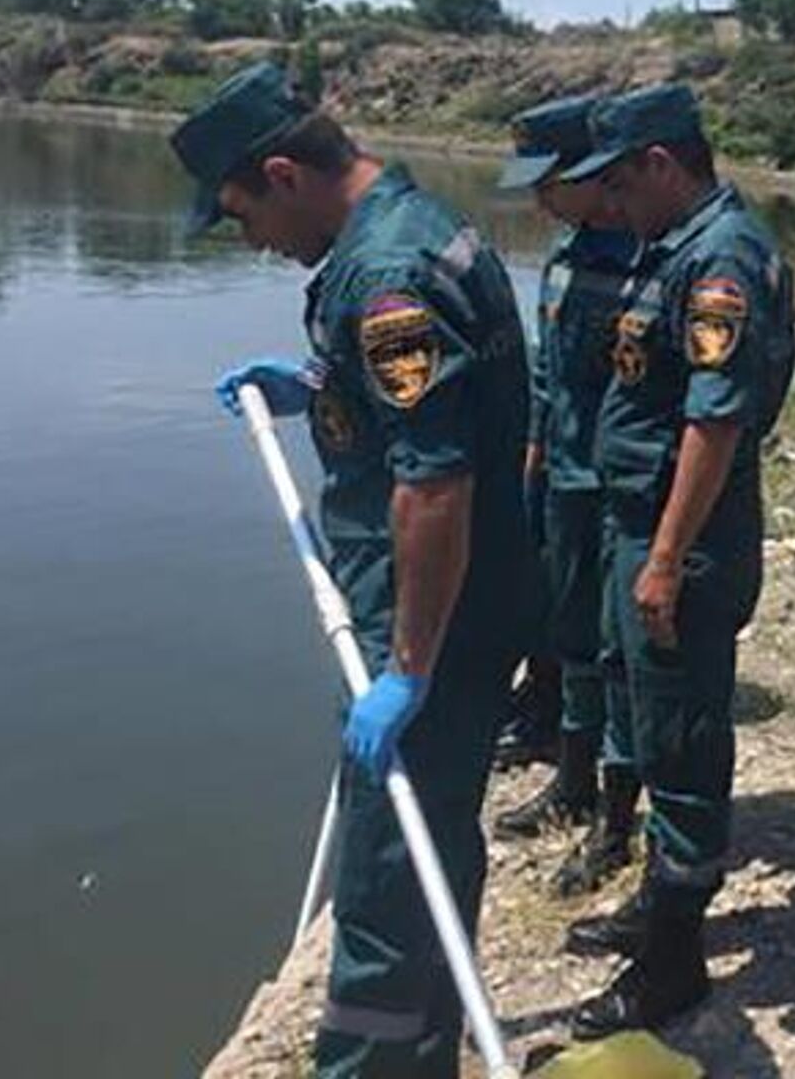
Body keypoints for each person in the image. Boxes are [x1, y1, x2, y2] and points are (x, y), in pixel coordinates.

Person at [171, 62, 537, 1079]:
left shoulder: (386, 280)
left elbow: (435, 484)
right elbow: (432, 403)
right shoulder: (412, 226)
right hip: (465, 593)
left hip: (429, 608)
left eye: (242, 212)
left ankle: (371, 1065)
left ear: (283, 173)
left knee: (384, 871)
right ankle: (423, 1051)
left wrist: (408, 667)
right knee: (433, 841)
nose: (249, 240)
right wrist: (316, 387)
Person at [548, 84, 795, 1037]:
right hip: (637, 524)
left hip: (679, 541)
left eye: (618, 182)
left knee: (683, 738)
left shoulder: (721, 255)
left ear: (662, 164)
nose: (610, 204)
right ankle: (661, 908)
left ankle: (674, 967)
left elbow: (715, 417)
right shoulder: (676, 246)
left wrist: (663, 559)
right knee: (645, 711)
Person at [491, 97, 644, 899]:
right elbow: (551, 371)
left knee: (619, 654)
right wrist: (533, 454)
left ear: (589, 170)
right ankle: (572, 782)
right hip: (565, 478)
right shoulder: (570, 251)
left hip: (622, 486)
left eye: (548, 181)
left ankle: (616, 813)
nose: (539, 198)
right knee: (572, 633)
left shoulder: (650, 257)